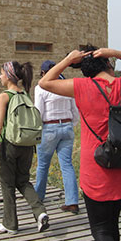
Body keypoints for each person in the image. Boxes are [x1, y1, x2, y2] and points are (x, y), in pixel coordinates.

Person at [38, 46, 121, 241]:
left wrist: (67, 60)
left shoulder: (82, 86)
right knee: (112, 222)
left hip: (97, 169)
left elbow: (45, 82)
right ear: (108, 64)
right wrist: (110, 50)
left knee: (101, 229)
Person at [0, 61, 49, 235]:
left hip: (10, 145)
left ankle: (10, 224)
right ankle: (40, 211)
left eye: (1, 73)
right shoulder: (25, 95)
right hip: (28, 145)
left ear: (8, 75)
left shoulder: (5, 96)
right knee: (22, 181)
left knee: (7, 184)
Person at [34, 60, 80, 214]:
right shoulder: (66, 85)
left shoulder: (41, 87)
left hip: (49, 127)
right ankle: (72, 201)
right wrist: (71, 124)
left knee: (42, 165)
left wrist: (37, 130)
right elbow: (75, 110)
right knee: (67, 165)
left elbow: (38, 112)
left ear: (43, 72)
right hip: (66, 126)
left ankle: (38, 196)